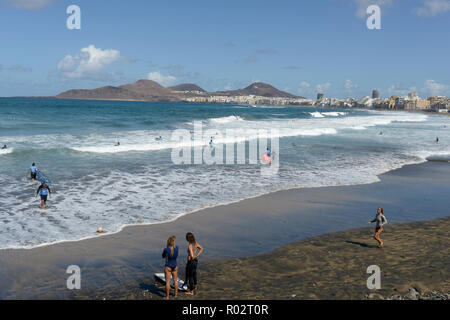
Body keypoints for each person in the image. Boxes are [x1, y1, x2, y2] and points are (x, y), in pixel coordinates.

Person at [162, 235, 179, 299]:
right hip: (175, 265)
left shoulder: (166, 249)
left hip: (168, 266)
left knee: (168, 282)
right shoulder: (177, 247)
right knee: (175, 281)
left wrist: (166, 256)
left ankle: (167, 296)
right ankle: (175, 295)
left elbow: (163, 256)